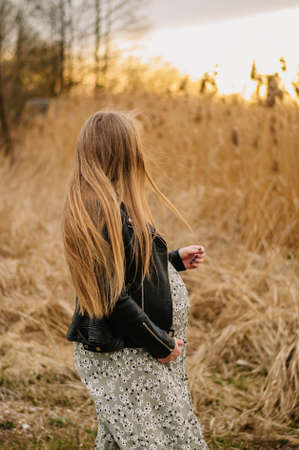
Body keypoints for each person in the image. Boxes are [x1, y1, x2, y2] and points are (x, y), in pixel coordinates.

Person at [62, 110, 209, 449]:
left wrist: (171, 261)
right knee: (158, 440)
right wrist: (161, 344)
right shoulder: (101, 212)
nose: (141, 155)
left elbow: (126, 272)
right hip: (126, 355)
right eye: (135, 148)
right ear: (121, 155)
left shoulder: (111, 206)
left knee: (126, 439)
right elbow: (110, 295)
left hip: (131, 355)